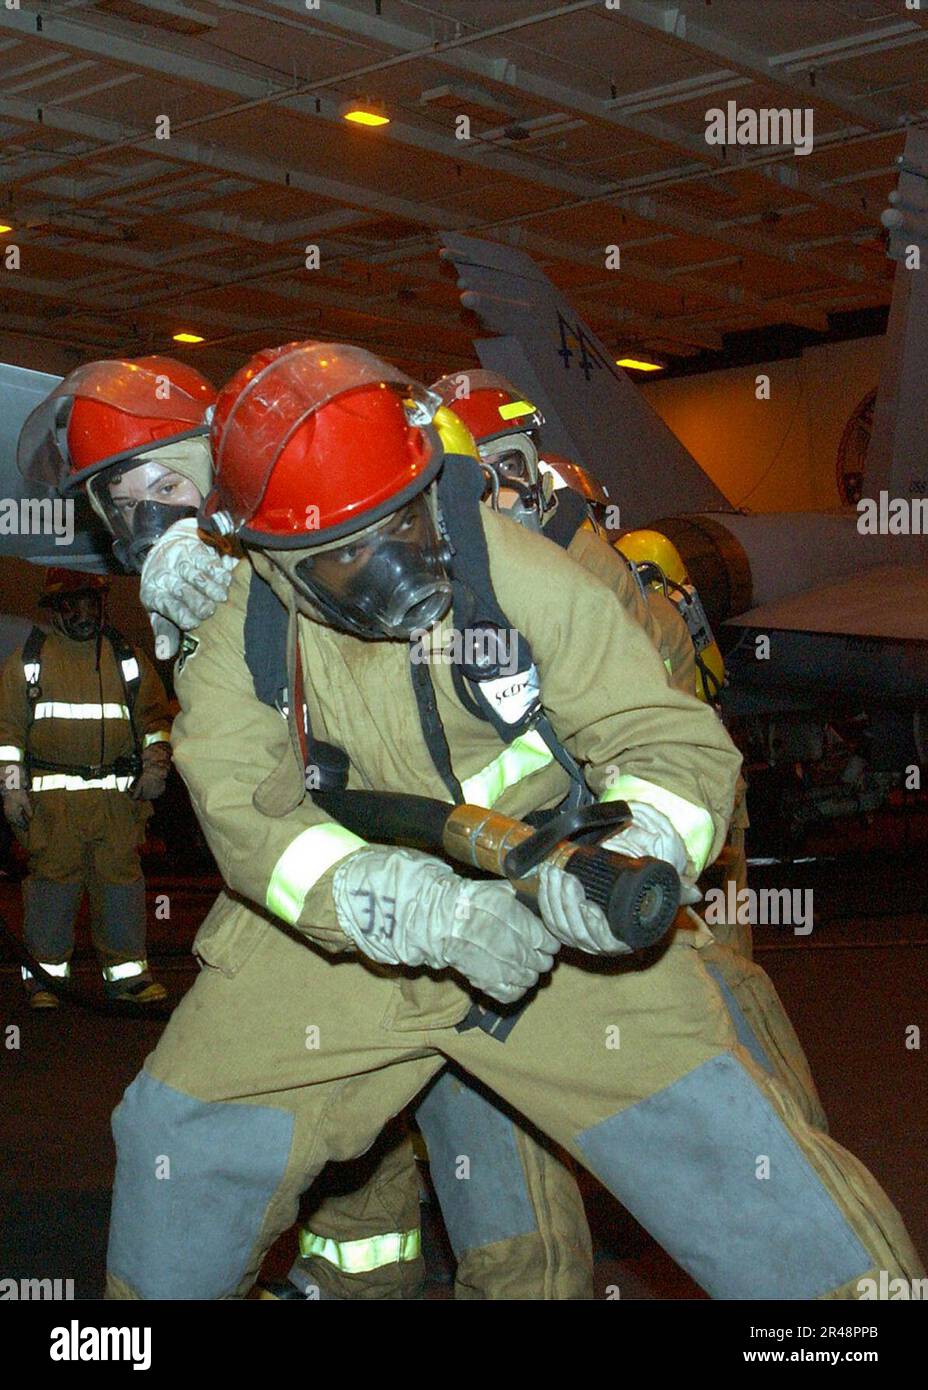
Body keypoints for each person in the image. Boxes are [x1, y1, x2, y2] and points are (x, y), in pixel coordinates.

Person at [103, 341, 922, 1301]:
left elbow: (673, 745)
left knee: (736, 1163)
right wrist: (391, 903)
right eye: (346, 553)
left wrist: (641, 843)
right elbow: (245, 810)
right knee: (180, 1135)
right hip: (342, 933)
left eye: (402, 522)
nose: (393, 567)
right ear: (269, 555)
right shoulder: (242, 618)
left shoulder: (512, 569)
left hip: (548, 908)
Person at [0, 570, 172, 1006]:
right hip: (53, 805)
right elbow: (7, 736)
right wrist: (12, 789)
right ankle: (44, 978)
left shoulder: (127, 660)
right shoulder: (28, 662)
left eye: (90, 604)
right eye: (73, 605)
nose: (83, 613)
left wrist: (155, 765)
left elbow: (155, 722)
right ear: (55, 610)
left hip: (117, 801)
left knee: (120, 885)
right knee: (52, 887)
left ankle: (128, 976)